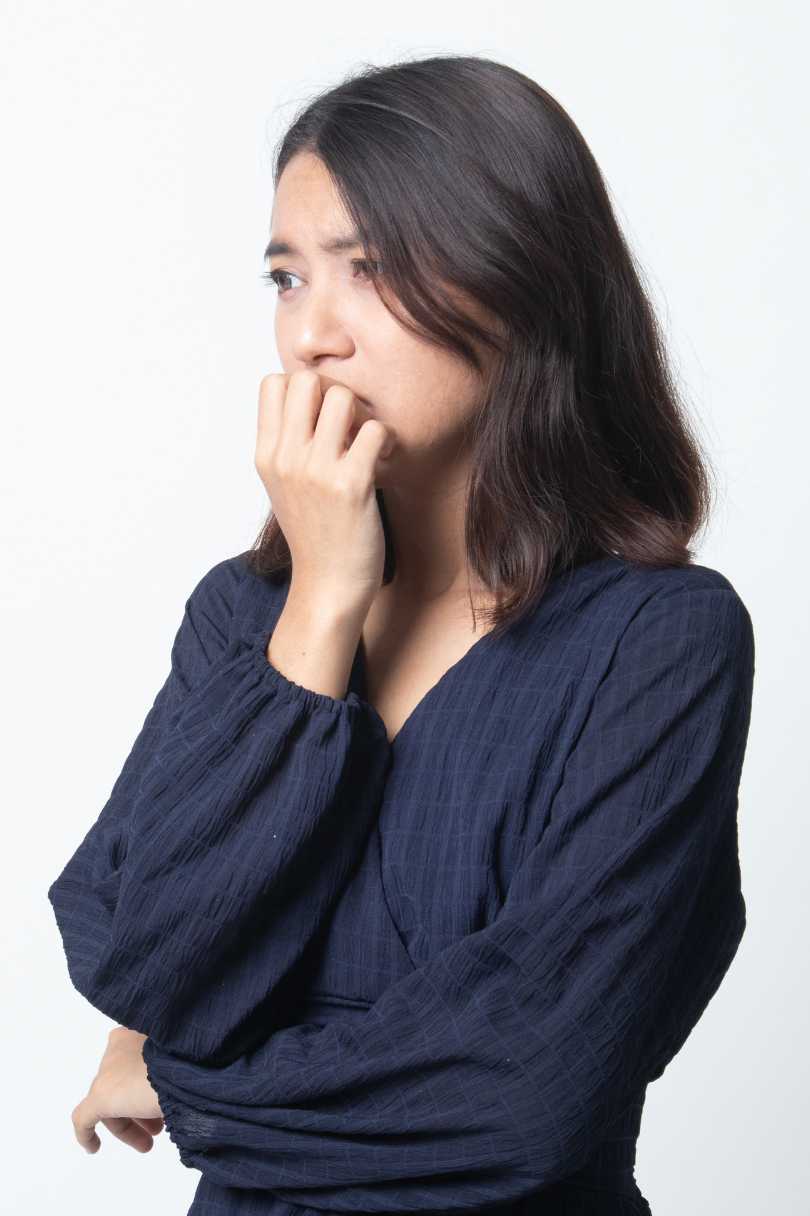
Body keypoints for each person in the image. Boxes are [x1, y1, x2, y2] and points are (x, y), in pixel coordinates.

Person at [47, 54, 756, 1216]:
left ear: (520, 279)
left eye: (369, 269)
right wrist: (323, 601)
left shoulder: (659, 641)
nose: (311, 333)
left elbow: (527, 1093)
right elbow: (150, 959)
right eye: (285, 277)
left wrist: (186, 1084)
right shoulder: (241, 618)